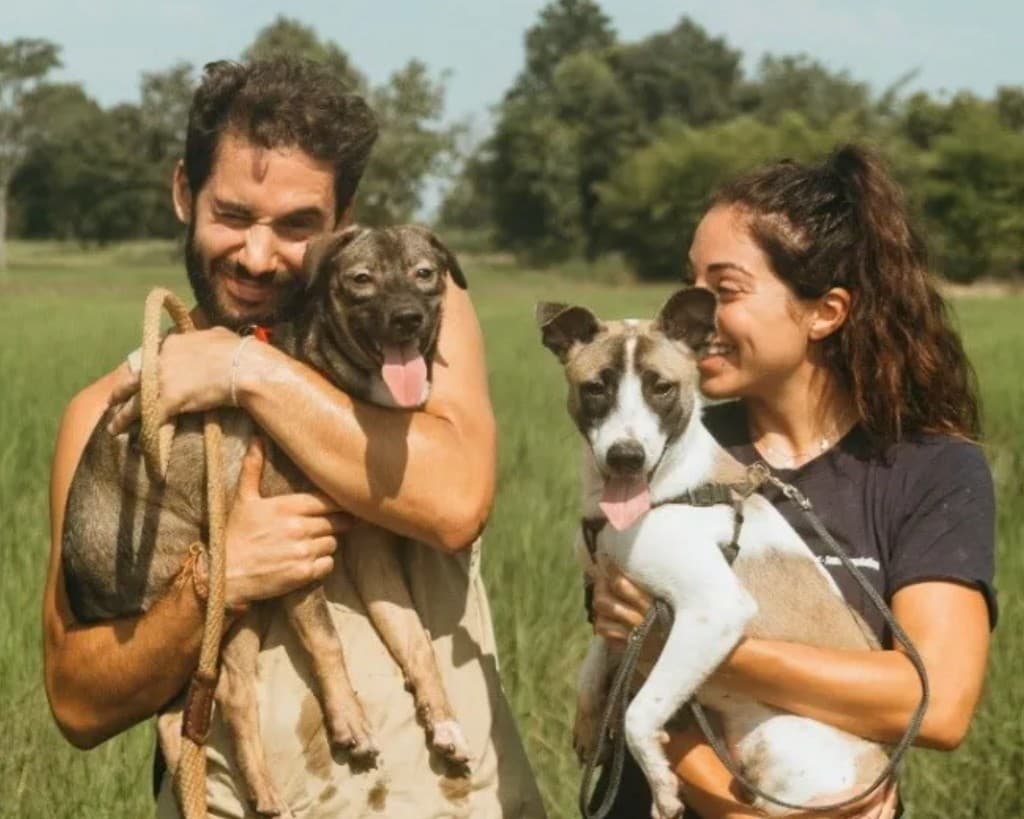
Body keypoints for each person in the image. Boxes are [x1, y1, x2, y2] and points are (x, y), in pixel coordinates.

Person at [44, 57, 545, 818]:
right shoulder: (115, 413)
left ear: (343, 224)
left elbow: (456, 501)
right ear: (185, 193)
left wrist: (247, 370)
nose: (256, 254)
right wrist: (218, 579)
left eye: (297, 225)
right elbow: (78, 701)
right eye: (235, 215)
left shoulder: (413, 337)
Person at [589, 144, 996, 818]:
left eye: (724, 290)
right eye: (689, 283)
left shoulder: (930, 471)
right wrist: (750, 811)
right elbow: (628, 676)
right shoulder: (650, 452)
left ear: (825, 311)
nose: (692, 313)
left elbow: (936, 702)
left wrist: (702, 644)